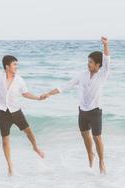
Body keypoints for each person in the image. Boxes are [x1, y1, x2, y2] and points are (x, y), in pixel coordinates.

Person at [40, 37, 110, 174]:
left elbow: (107, 60)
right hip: (82, 112)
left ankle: (101, 162)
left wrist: (106, 45)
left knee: (97, 137)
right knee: (85, 136)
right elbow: (65, 86)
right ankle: (90, 154)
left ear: (98, 65)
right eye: (88, 61)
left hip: (95, 111)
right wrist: (48, 93)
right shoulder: (81, 75)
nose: (88, 64)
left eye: (90, 62)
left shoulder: (103, 75)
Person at [0, 35, 45, 176]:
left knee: (29, 131)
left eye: (16, 65)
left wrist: (38, 98)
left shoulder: (20, 80)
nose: (16, 67)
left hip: (16, 111)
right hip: (3, 112)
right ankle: (10, 166)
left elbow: (25, 93)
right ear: (7, 66)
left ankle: (35, 147)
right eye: (14, 65)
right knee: (5, 140)